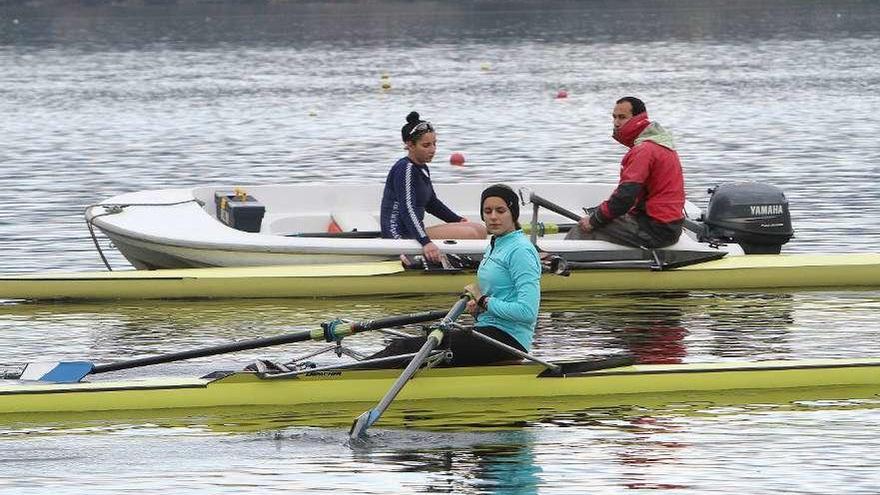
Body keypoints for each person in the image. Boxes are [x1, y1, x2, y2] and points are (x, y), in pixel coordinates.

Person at [365, 184, 541, 367]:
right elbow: (500, 298)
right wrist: (479, 309)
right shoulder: (496, 244)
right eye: (487, 211)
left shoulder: (521, 250)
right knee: (401, 347)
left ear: (513, 213)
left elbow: (527, 312)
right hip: (489, 330)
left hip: (509, 340)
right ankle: (342, 376)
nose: (493, 217)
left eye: (500, 210)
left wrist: (483, 301)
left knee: (403, 348)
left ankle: (342, 380)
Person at [565, 97, 685, 248]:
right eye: (614, 117)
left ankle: (559, 266)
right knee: (599, 215)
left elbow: (625, 198)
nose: (616, 123)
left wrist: (594, 220)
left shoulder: (643, 150)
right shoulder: (660, 143)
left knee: (581, 230)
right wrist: (601, 212)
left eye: (622, 117)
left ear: (639, 119)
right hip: (669, 225)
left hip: (655, 229)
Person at [380, 111, 486, 263]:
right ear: (410, 145)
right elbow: (407, 209)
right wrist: (425, 242)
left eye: (434, 143)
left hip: (413, 231)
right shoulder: (405, 169)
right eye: (426, 145)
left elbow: (432, 203)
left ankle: (473, 263)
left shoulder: (422, 167)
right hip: (399, 235)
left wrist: (457, 219)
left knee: (479, 229)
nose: (433, 149)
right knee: (472, 234)